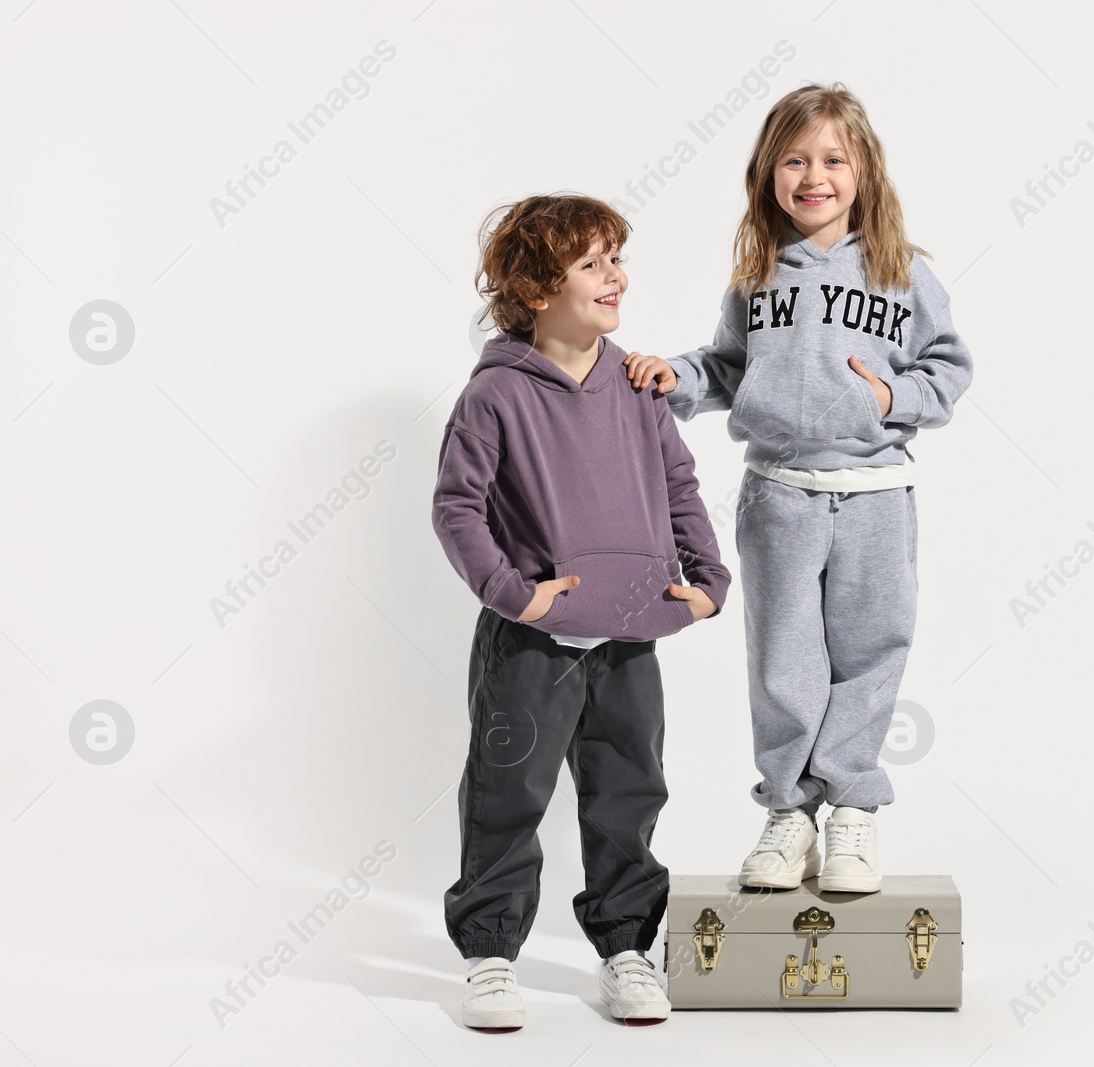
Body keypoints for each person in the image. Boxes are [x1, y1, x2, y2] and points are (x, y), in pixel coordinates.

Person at [624, 83, 973, 894]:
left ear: (863, 171)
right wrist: (672, 375)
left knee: (870, 650)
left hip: (878, 494)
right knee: (783, 662)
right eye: (794, 159)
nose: (813, 176)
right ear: (768, 173)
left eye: (831, 160)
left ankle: (851, 808)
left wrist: (892, 399)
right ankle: (788, 812)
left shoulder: (903, 270)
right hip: (778, 493)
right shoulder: (757, 274)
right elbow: (725, 366)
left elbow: (949, 369)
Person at [432, 194, 731, 1028]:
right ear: (536, 288)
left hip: (632, 638)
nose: (617, 277)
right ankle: (491, 954)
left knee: (630, 790)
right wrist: (514, 593)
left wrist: (709, 580)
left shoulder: (639, 386)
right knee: (508, 791)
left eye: (617, 259)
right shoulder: (496, 395)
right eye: (593, 263)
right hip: (530, 647)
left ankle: (626, 946)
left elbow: (679, 486)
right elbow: (458, 508)